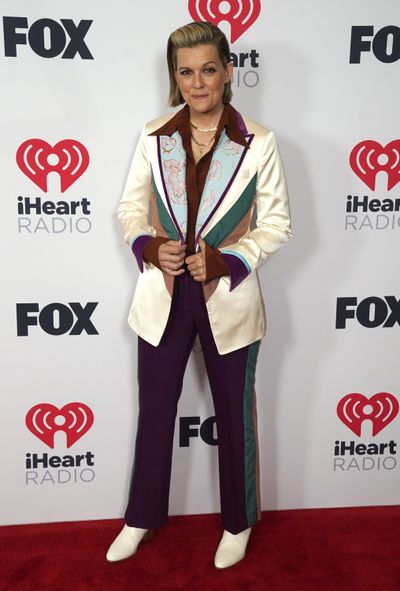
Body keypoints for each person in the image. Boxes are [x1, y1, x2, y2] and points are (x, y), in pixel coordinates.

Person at [106, 21, 291, 569]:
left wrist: (228, 260)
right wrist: (147, 245)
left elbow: (277, 224)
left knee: (236, 417)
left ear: (228, 72)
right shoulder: (153, 133)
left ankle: (238, 523)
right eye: (185, 72)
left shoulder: (260, 141)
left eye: (208, 69)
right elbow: (129, 210)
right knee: (157, 411)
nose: (197, 83)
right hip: (162, 297)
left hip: (228, 298)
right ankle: (140, 517)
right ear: (175, 77)